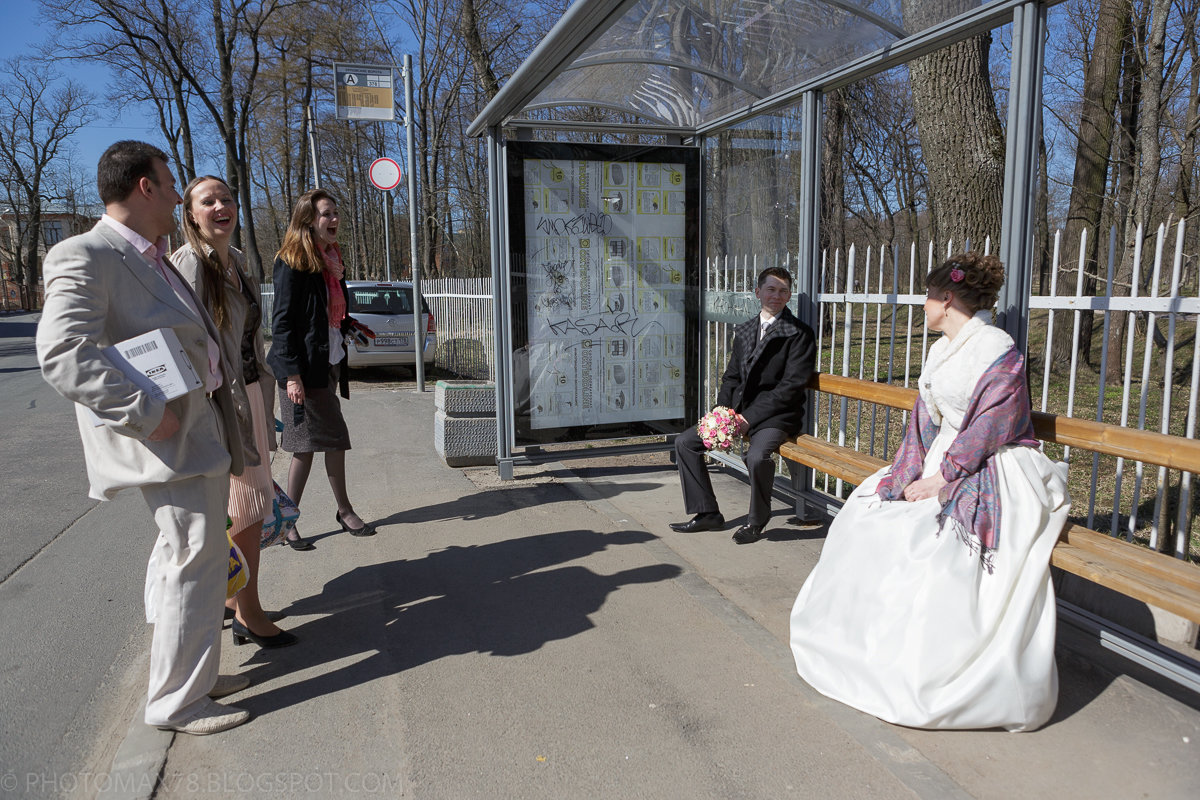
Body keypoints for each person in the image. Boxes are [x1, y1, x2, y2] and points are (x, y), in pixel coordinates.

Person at [789, 252, 1071, 731]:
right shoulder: (942, 349)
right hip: (943, 454)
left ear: (946, 299)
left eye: (926, 296)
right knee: (869, 514)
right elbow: (924, 419)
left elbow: (995, 422)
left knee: (927, 543)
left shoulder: (997, 348)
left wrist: (945, 478)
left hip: (990, 461)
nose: (922, 305)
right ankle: (862, 647)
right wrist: (905, 475)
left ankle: (923, 664)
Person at [36, 141, 251, 735]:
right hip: (167, 438)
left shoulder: (152, 255)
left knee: (202, 561)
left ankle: (195, 679)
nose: (180, 193)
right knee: (191, 560)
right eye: (171, 180)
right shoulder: (86, 254)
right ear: (144, 187)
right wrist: (144, 412)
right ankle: (175, 703)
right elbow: (61, 354)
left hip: (197, 428)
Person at [174, 175, 297, 649]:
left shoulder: (237, 261)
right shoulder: (188, 264)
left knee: (250, 503)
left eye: (226, 198)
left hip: (252, 395)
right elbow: (183, 345)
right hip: (223, 404)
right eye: (209, 201)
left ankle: (231, 602)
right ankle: (249, 610)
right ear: (191, 215)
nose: (221, 206)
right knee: (246, 507)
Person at [669, 266, 816, 544]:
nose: (777, 295)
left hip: (776, 415)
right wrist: (721, 413)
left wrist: (746, 419)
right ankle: (707, 513)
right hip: (738, 412)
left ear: (789, 296)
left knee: (757, 456)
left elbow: (789, 389)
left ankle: (757, 520)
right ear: (758, 292)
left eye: (783, 290)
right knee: (686, 443)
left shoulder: (799, 333)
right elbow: (731, 377)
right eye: (771, 289)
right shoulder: (746, 329)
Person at [267, 188, 375, 543]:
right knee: (323, 442)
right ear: (308, 221)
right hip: (301, 372)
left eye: (335, 213)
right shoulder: (292, 261)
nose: (334, 220)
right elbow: (282, 323)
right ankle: (340, 511)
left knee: (310, 445)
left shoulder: (331, 259)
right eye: (326, 214)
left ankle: (288, 520)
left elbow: (324, 314)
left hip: (325, 365)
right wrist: (292, 376)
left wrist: (350, 327)